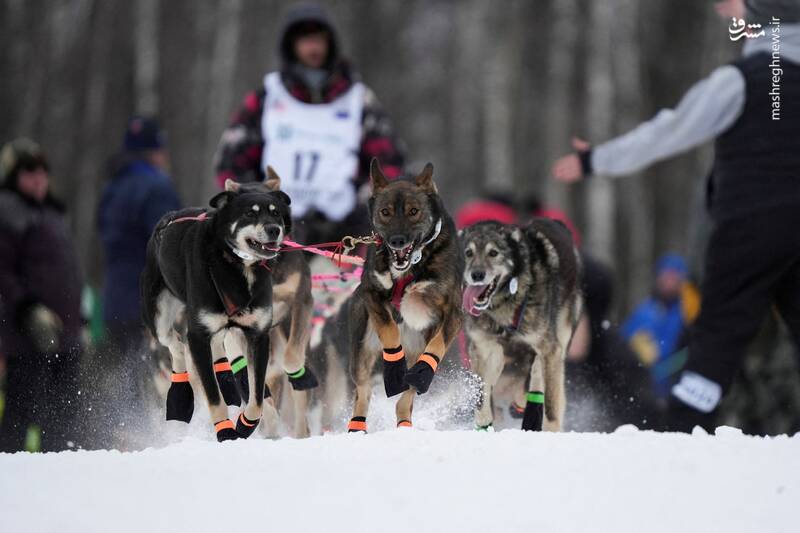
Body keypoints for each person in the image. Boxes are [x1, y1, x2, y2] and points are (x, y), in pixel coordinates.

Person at [552, 0, 800, 432]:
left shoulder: (742, 80)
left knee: (719, 334)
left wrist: (596, 160)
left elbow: (669, 131)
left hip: (750, 229)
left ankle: (684, 431)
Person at [214, 2, 405, 244]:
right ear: (291, 45)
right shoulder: (268, 97)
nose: (313, 47)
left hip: (346, 232)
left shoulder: (358, 100)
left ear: (330, 44)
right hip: (276, 228)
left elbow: (391, 162)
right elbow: (230, 161)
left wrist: (367, 205)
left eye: (319, 39)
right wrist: (253, 201)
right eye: (305, 40)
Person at [0, 138, 83, 452]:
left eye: (42, 171)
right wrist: (28, 309)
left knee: (63, 418)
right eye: (29, 171)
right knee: (21, 415)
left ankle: (59, 469)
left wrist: (81, 317)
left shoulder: (53, 213)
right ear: (14, 176)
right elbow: (3, 271)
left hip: (66, 334)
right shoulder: (8, 211)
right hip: (26, 335)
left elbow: (69, 270)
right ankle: (11, 466)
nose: (38, 178)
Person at [98, 116, 180, 353]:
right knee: (153, 371)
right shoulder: (157, 187)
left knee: (127, 367)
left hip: (114, 299)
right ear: (153, 151)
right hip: (150, 303)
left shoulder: (112, 187)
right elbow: (169, 243)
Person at [621, 254, 700, 400]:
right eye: (665, 275)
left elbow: (694, 348)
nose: (669, 281)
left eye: (674, 277)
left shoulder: (689, 311)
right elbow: (623, 340)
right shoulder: (645, 310)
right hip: (642, 387)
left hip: (676, 388)